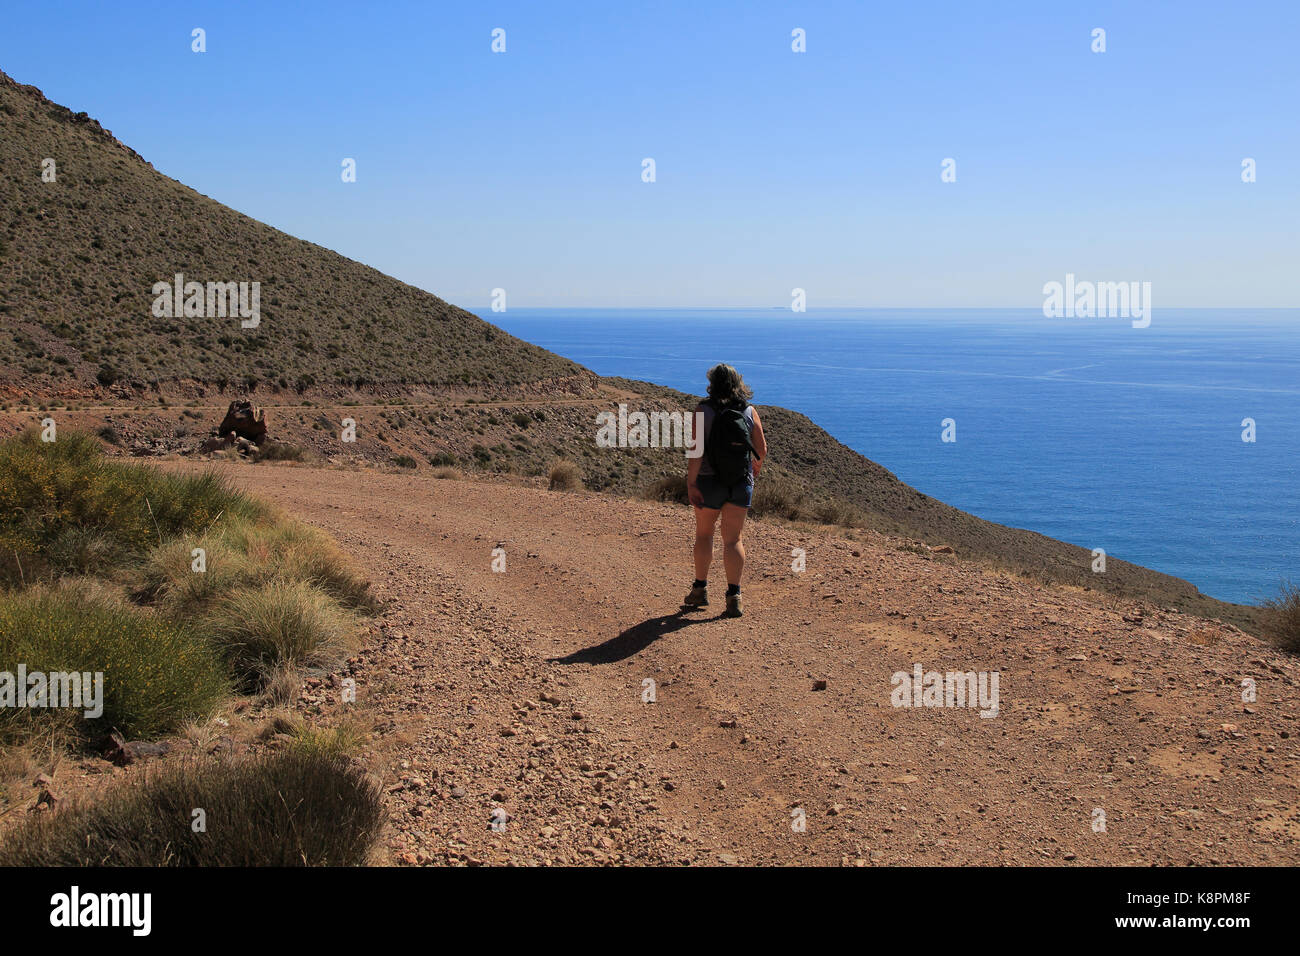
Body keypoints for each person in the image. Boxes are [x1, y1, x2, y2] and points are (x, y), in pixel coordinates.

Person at [684, 364, 767, 617]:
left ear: (712, 383)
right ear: (737, 383)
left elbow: (695, 453)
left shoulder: (703, 411)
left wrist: (691, 483)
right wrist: (754, 470)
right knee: (733, 539)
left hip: (709, 482)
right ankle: (734, 596)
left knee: (704, 535)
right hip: (739, 483)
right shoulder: (749, 411)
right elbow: (761, 450)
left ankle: (700, 590)